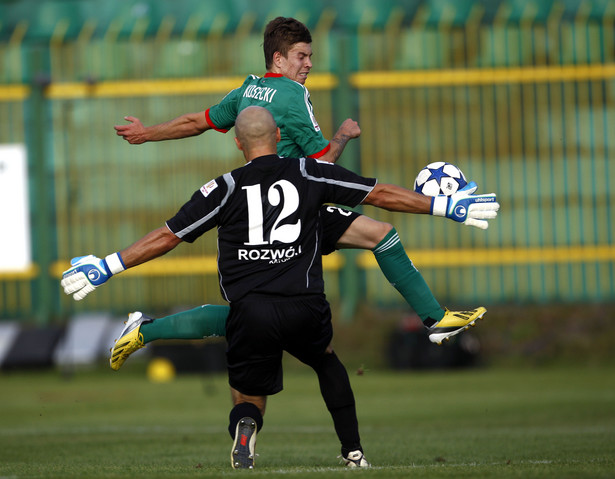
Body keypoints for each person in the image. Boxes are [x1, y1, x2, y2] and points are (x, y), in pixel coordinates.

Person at [63, 107, 499, 468]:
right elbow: (380, 192)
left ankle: (237, 422)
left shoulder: (225, 186)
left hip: (251, 311)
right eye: (302, 55)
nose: (305, 63)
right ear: (278, 134)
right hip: (305, 304)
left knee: (246, 371)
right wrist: (444, 206)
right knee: (328, 362)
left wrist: (106, 266)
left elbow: (167, 236)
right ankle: (354, 452)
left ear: (238, 143)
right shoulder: (307, 171)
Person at [110, 16, 488, 371]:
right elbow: (323, 166)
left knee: (264, 309)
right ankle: (434, 319)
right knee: (262, 314)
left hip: (263, 210)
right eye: (302, 56)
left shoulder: (247, 89)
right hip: (292, 209)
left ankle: (146, 328)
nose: (308, 64)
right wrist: (342, 135)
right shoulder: (293, 96)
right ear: (279, 58)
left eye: (311, 56)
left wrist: (147, 134)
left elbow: (198, 122)